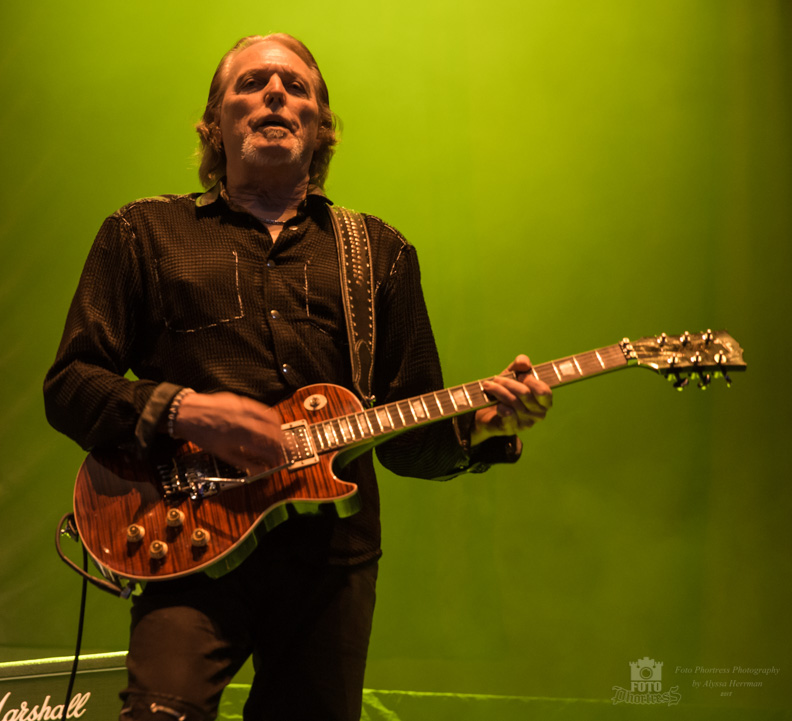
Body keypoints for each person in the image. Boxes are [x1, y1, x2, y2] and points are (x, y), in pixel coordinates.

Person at [43, 33, 552, 721]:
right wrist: (184, 410)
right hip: (187, 533)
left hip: (328, 559)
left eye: (296, 87)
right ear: (214, 126)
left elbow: (402, 435)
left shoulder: (379, 252)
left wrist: (484, 426)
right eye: (250, 84)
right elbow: (71, 384)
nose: (275, 92)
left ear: (321, 129)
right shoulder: (144, 233)